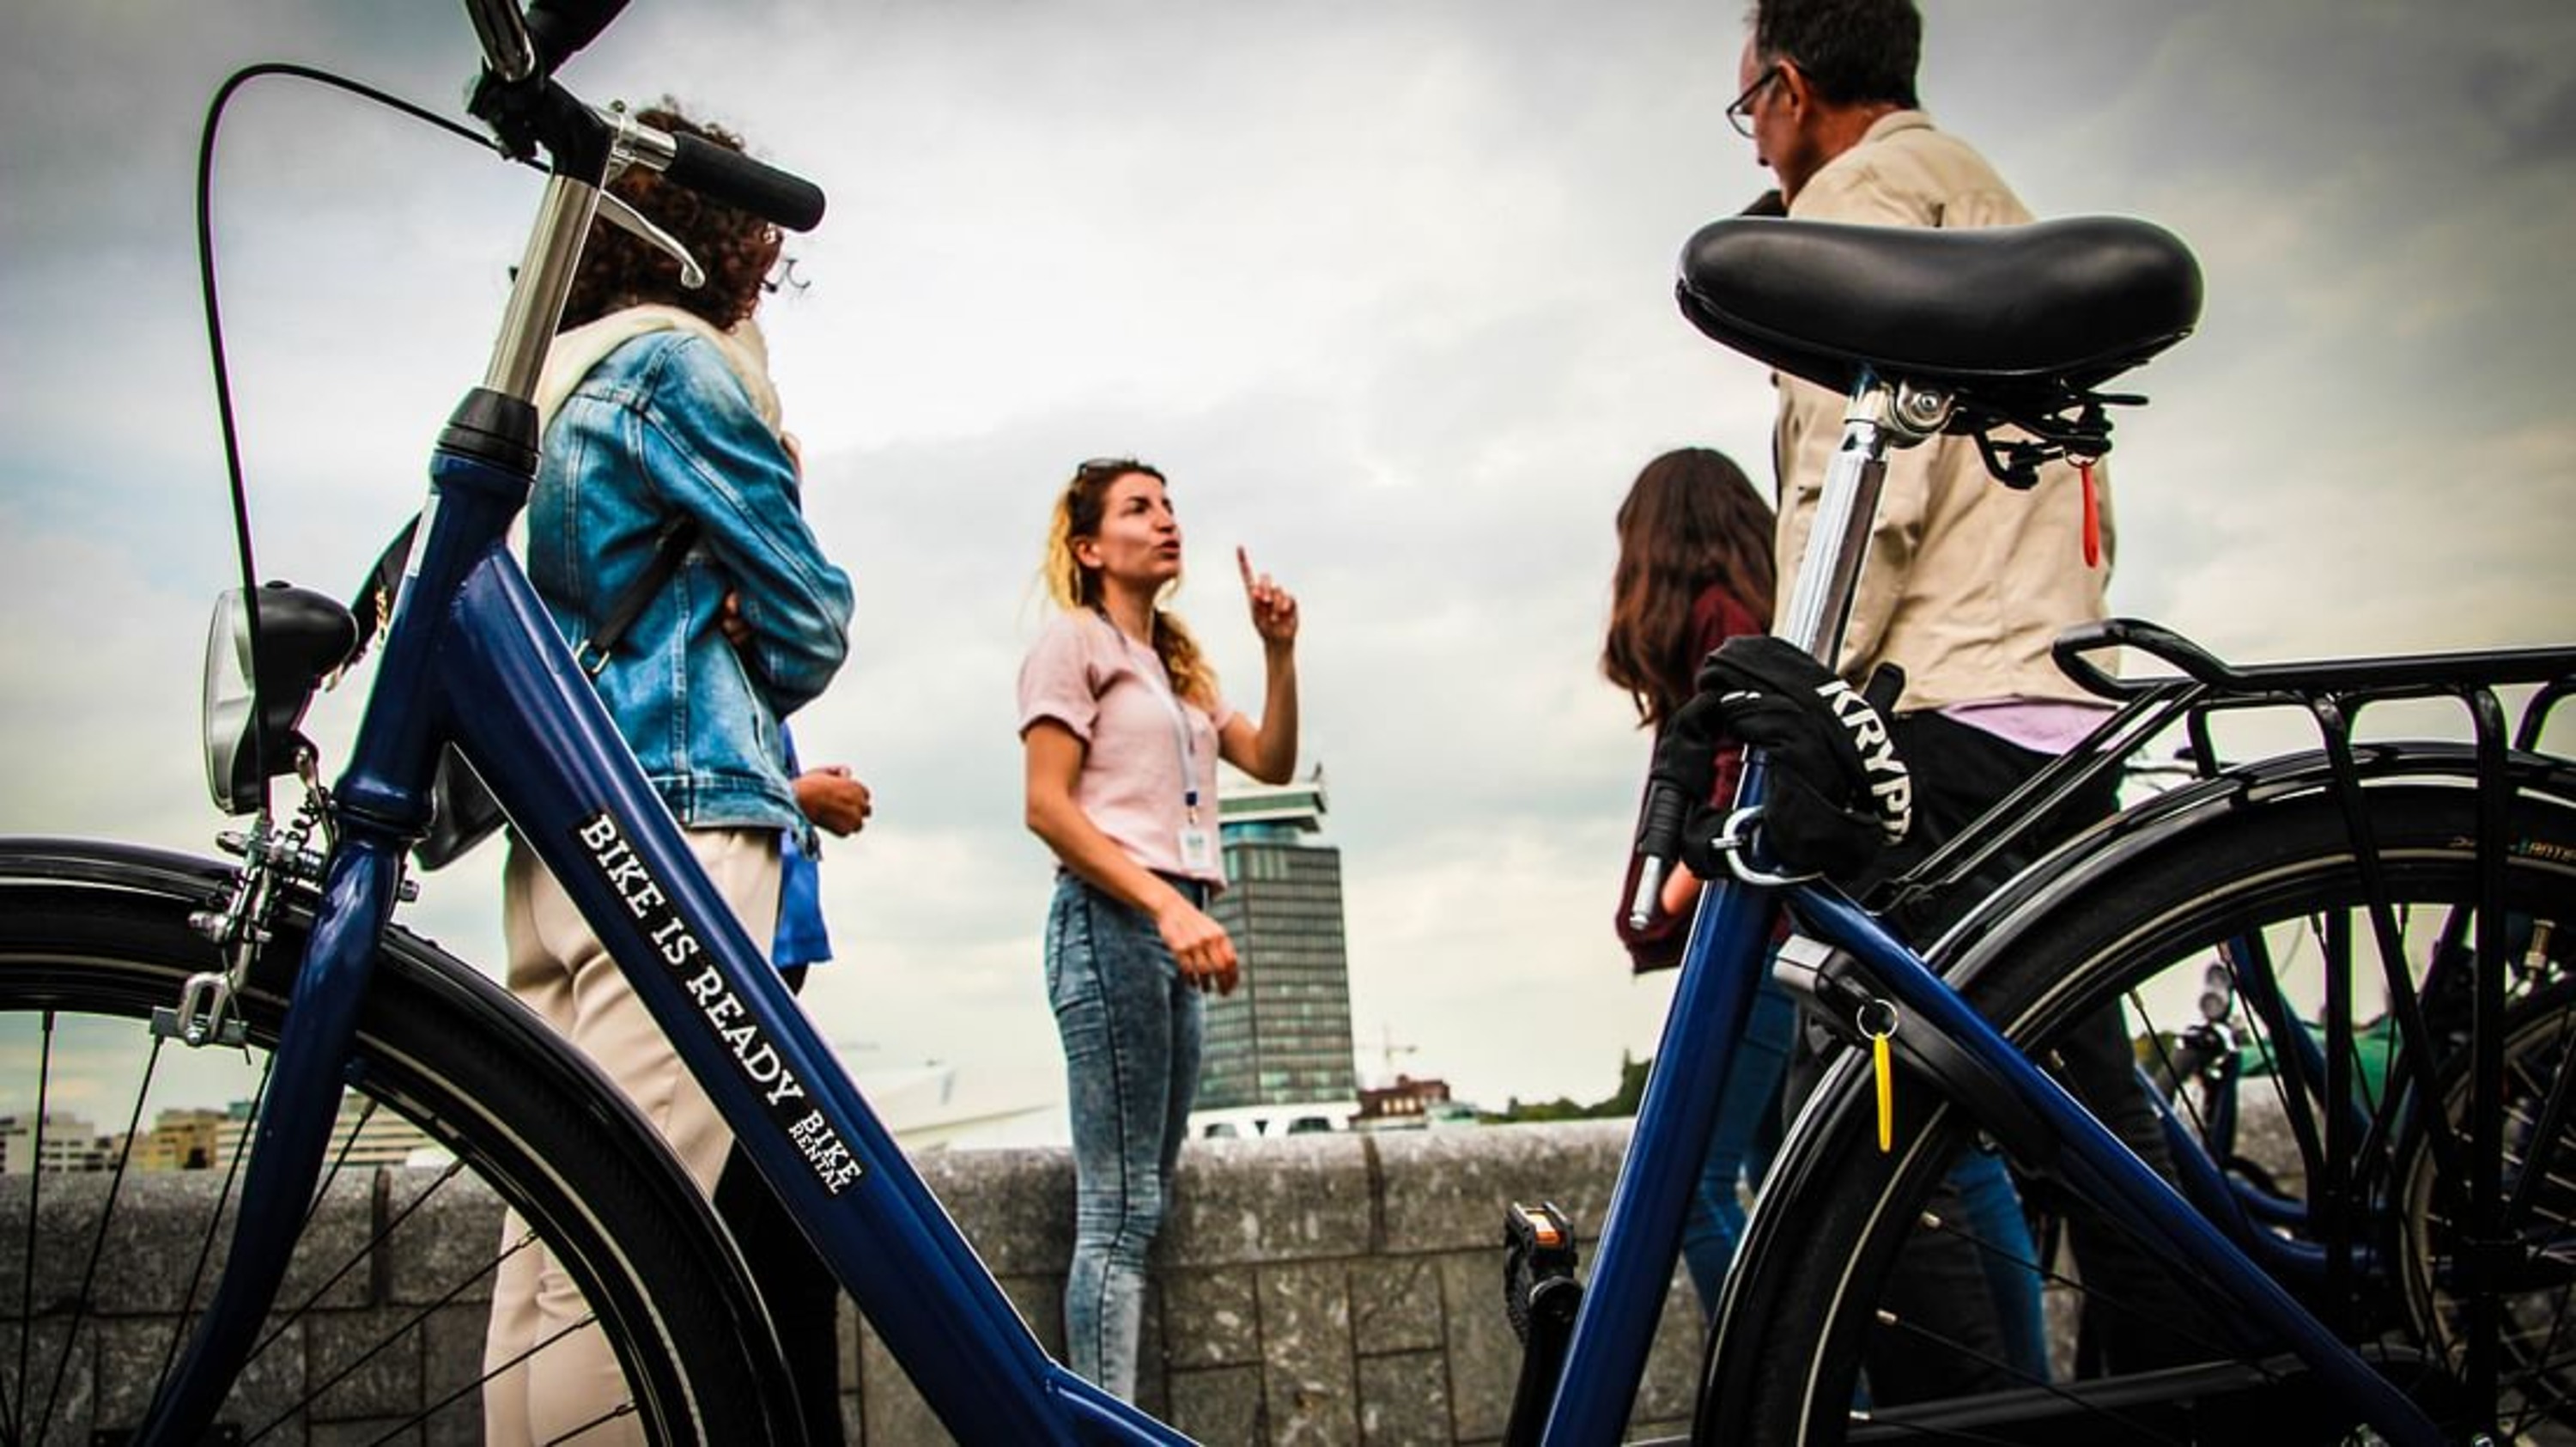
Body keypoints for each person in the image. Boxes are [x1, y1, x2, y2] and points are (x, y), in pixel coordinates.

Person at [1732, 0, 2204, 1395]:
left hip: (1942, 711)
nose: (1754, 146)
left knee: (1871, 1115)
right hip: (2056, 709)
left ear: (1792, 88)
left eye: (1749, 110)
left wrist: (1800, 704)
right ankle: (2192, 1379)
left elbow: (1859, 494)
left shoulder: (1856, 204)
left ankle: (1981, 1416)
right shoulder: (1988, 197)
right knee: (2085, 1110)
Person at [482, 101, 854, 1446]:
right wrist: (755, 612)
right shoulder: (677, 369)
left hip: (554, 831)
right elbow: (811, 619)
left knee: (547, 1254)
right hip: (680, 821)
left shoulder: (546, 379)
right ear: (720, 240)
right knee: (638, 1252)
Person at [1018, 458, 1300, 1401]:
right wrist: (1167, 906)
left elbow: (1270, 758)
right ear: (1090, 547)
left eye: (1170, 505)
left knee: (1143, 1204)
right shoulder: (1074, 644)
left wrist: (1279, 650)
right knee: (1119, 1206)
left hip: (1175, 928)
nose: (1166, 519)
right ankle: (1102, 1426)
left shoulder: (1175, 667)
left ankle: (1109, 1416)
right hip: (1114, 923)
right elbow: (1047, 806)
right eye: (1139, 508)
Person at [1600, 447, 1797, 1316]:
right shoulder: (1750, 611)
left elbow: (1739, 778)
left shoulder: (1720, 619)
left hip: (1754, 938)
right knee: (1772, 1171)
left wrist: (1670, 897)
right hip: (1778, 937)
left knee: (1692, 1190)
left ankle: (1777, 1377)